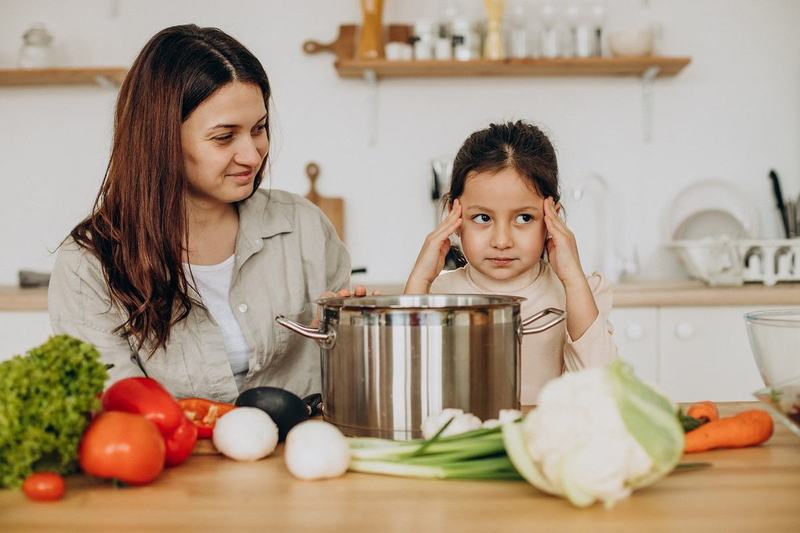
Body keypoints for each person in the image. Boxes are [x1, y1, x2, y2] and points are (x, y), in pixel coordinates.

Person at [48, 25, 362, 403]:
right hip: (177, 463)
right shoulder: (89, 266)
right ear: (160, 139)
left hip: (302, 457)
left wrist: (360, 329)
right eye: (224, 137)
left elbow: (350, 385)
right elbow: (120, 411)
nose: (252, 154)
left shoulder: (303, 226)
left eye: (259, 129)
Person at [405, 120, 617, 404]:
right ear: (454, 217)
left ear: (552, 216)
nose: (502, 241)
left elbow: (602, 390)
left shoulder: (582, 294)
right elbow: (406, 383)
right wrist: (420, 279)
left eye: (524, 218)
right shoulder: (433, 296)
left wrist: (573, 279)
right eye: (483, 218)